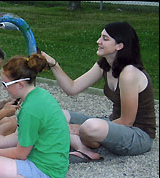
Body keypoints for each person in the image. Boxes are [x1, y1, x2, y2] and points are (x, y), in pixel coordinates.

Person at [40, 21, 156, 163]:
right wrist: (53, 64)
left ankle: (82, 141)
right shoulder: (105, 65)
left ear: (120, 45)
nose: (98, 41)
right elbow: (72, 88)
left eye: (105, 39)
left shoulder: (129, 73)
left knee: (90, 127)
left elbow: (127, 121)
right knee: (58, 115)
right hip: (113, 122)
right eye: (101, 37)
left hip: (138, 134)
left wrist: (79, 128)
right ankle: (84, 149)